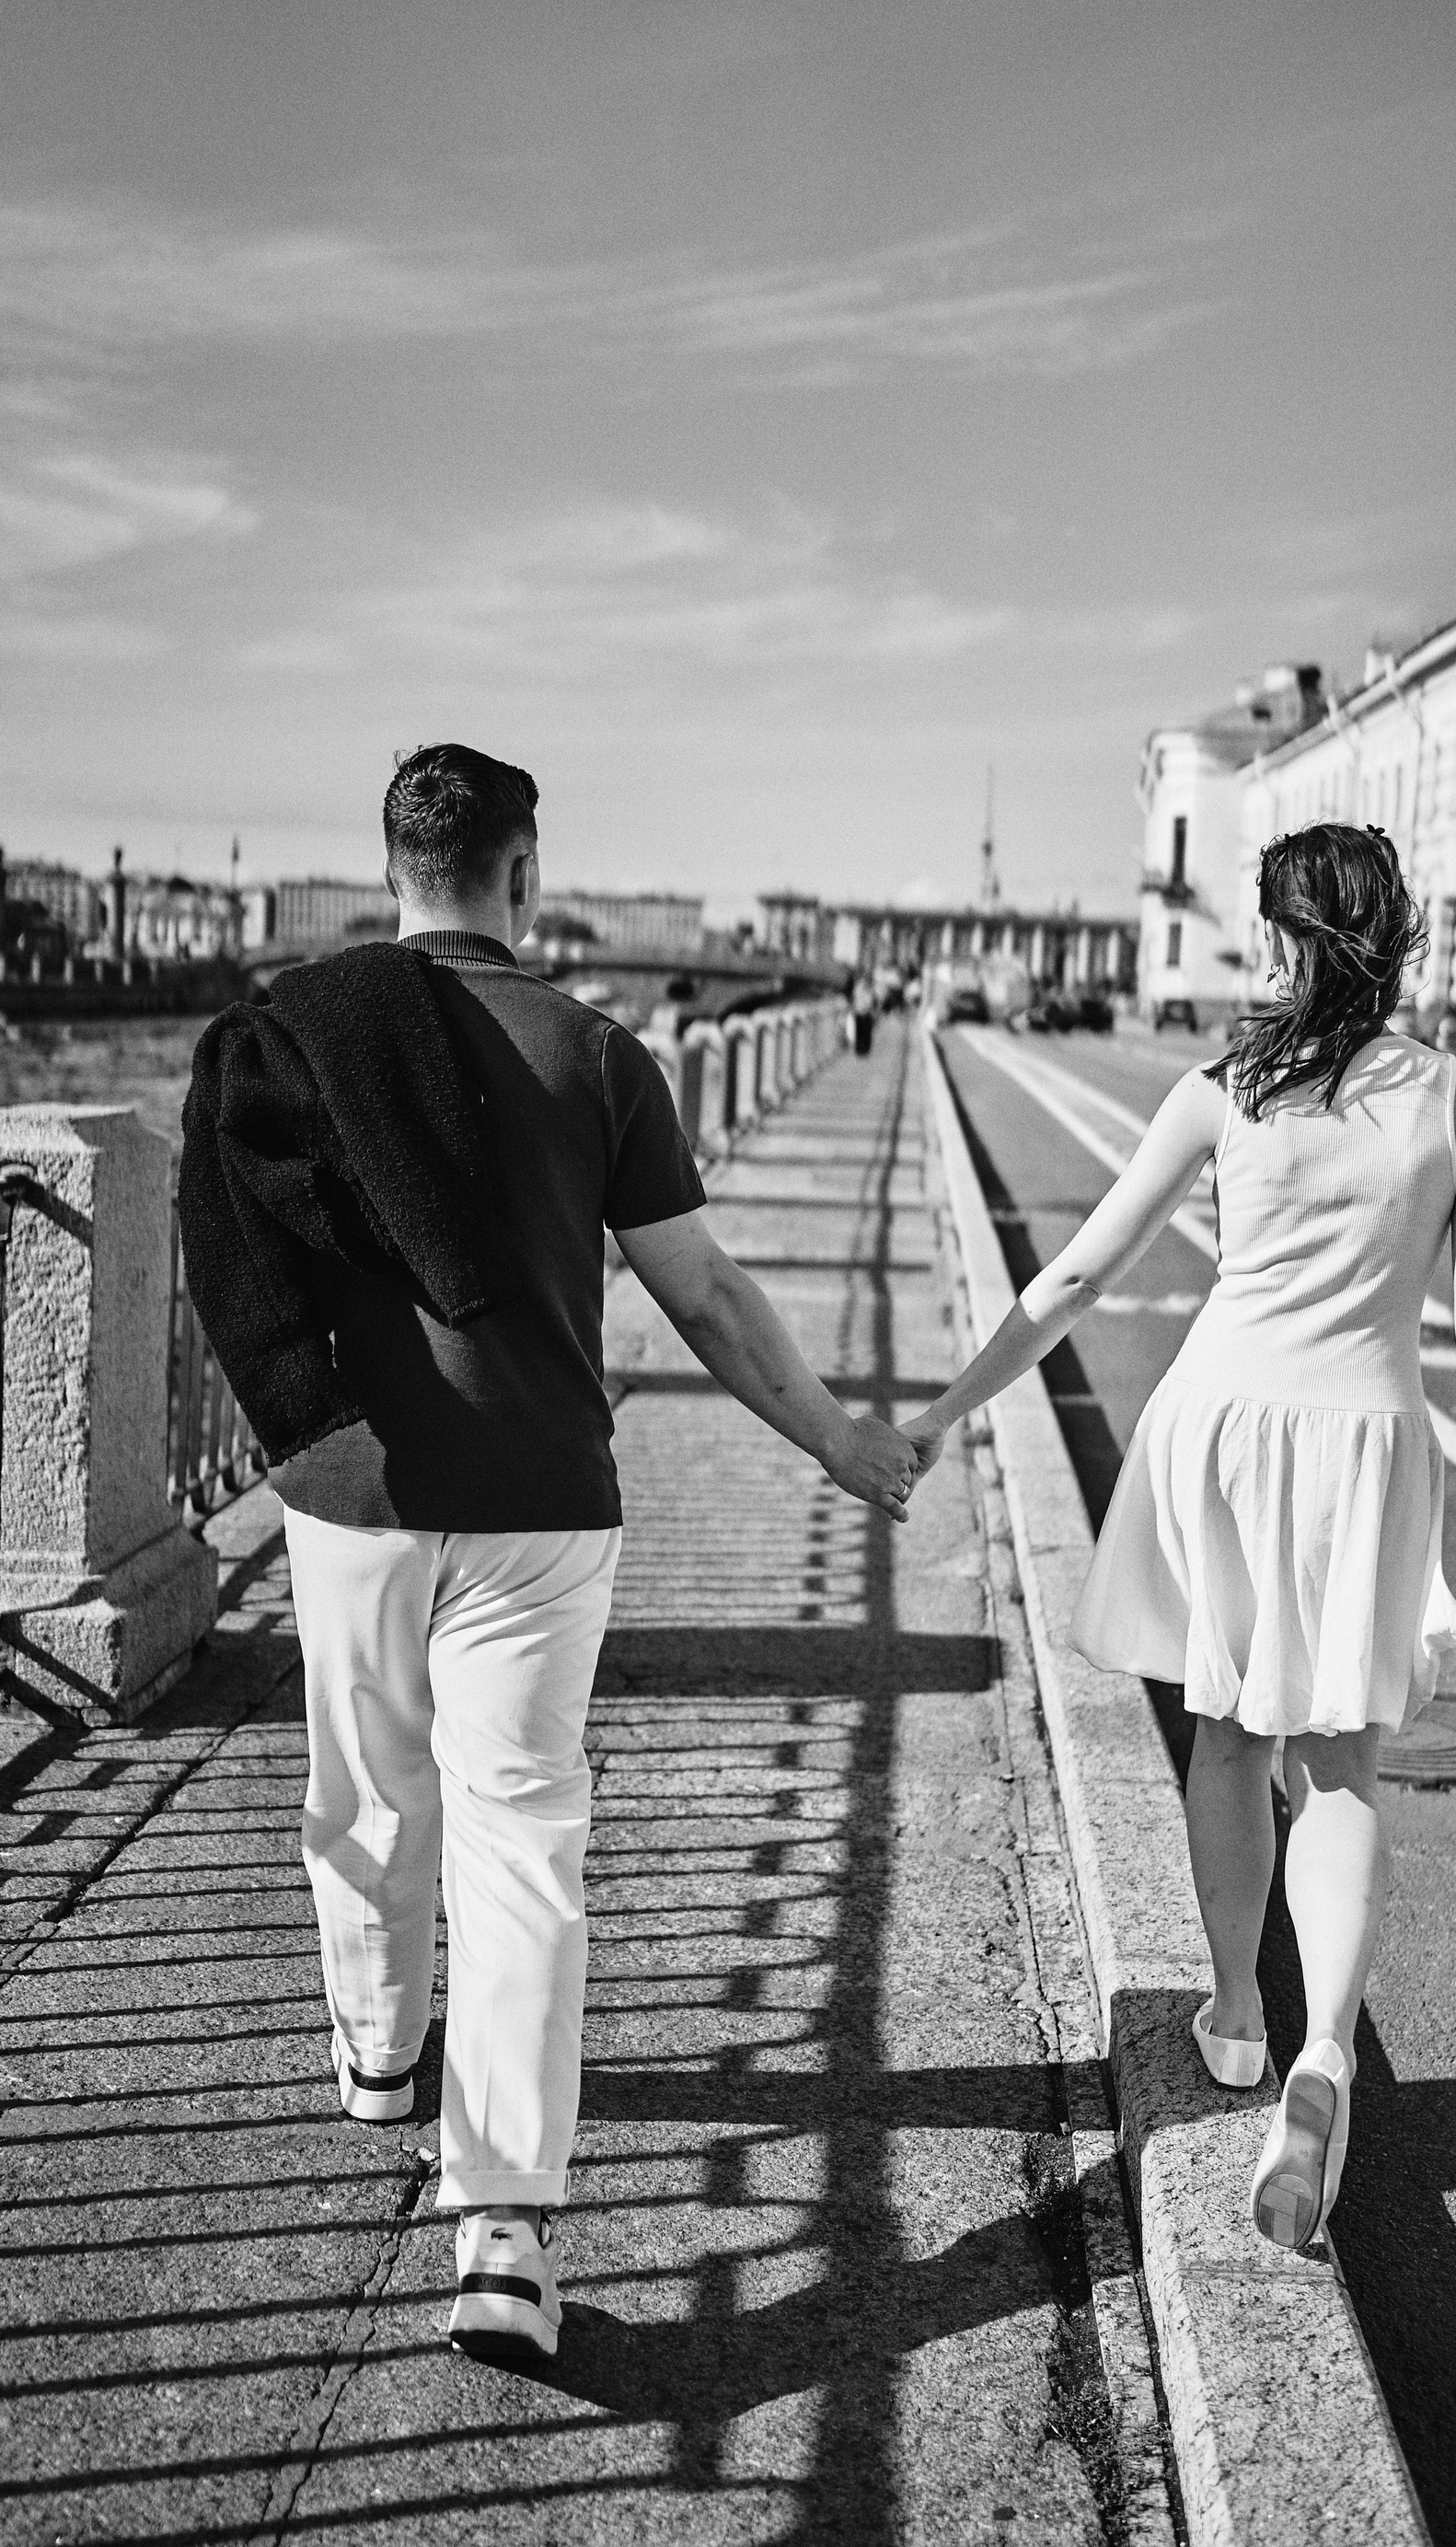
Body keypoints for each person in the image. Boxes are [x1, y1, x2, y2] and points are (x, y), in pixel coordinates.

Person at [180, 744, 918, 2361]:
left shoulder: (300, 1036)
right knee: (523, 1844)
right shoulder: (597, 1053)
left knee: (365, 1795)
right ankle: (503, 2236)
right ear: (523, 874)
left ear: (393, 872)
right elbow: (705, 1294)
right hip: (543, 1499)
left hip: (353, 1490)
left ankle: (381, 2059)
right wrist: (836, 1440)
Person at [902, 824, 1456, 2252]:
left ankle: (1233, 2015)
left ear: (1278, 943)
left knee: (1228, 1737)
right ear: (1392, 941)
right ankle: (1326, 2048)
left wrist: (942, 1414)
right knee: (1339, 1764)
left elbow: (1078, 1276)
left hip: (1223, 1432)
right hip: (1367, 1442)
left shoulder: (1223, 1097)